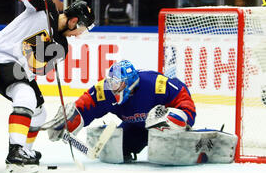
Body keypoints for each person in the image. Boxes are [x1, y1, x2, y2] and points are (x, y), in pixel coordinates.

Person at [0, 0, 95, 173]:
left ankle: (26, 151)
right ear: (74, 21)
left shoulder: (62, 47)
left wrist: (48, 50)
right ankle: (15, 152)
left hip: (19, 70)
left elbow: (37, 69)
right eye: (81, 29)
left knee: (39, 111)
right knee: (26, 96)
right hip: (1, 58)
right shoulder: (43, 7)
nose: (79, 35)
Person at [42, 60, 238, 165]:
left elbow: (184, 100)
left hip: (163, 128)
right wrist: (71, 120)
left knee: (166, 156)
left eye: (118, 85)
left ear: (130, 84)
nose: (114, 89)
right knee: (113, 153)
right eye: (112, 84)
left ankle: (204, 142)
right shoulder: (107, 90)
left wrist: (174, 117)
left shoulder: (155, 84)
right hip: (135, 128)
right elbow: (88, 104)